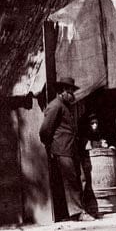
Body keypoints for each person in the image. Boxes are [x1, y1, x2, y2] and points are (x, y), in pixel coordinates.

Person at [40, 77, 97, 221]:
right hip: (62, 149)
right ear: (61, 91)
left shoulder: (66, 106)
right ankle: (77, 213)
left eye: (72, 91)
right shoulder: (55, 106)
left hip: (70, 149)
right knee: (70, 181)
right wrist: (51, 146)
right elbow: (45, 130)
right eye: (69, 91)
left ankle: (75, 211)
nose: (72, 94)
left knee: (79, 178)